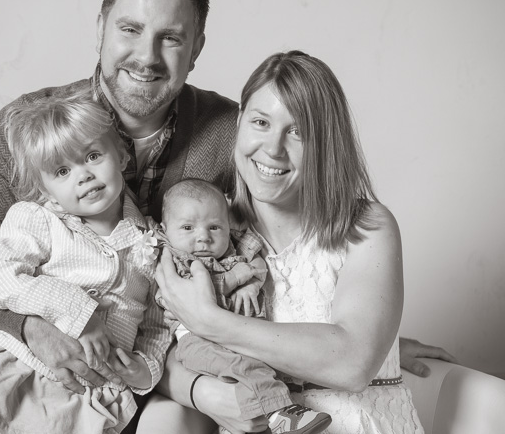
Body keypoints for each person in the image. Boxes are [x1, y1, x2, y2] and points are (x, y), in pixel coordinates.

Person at [0, 0, 455, 434]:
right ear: (101, 29)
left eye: (171, 38)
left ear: (196, 48)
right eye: (130, 29)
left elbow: (283, 236)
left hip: (158, 369)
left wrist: (368, 338)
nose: (146, 56)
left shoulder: (232, 134)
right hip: (31, 353)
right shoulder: (33, 130)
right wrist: (28, 326)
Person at [151, 51, 426, 433]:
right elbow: (155, 348)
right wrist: (203, 393)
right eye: (260, 122)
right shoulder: (204, 230)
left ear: (326, 143)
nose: (273, 148)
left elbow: (352, 363)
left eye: (297, 131)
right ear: (239, 122)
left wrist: (210, 320)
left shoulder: (366, 225)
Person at [0, 93, 171, 434]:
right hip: (14, 364)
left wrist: (147, 367)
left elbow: (158, 322)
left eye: (93, 156)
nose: (83, 175)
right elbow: (1, 279)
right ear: (44, 189)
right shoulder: (37, 220)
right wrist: (78, 312)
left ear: (121, 156)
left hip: (84, 393)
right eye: (62, 171)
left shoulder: (152, 241)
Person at [153, 178, 333, 434]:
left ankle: (271, 418)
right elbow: (194, 297)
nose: (203, 237)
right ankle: (281, 415)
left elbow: (258, 263)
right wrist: (235, 279)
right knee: (244, 367)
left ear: (228, 226)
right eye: (188, 227)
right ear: (165, 229)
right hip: (196, 341)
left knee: (256, 368)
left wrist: (251, 286)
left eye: (214, 227)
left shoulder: (233, 248)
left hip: (236, 337)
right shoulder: (174, 258)